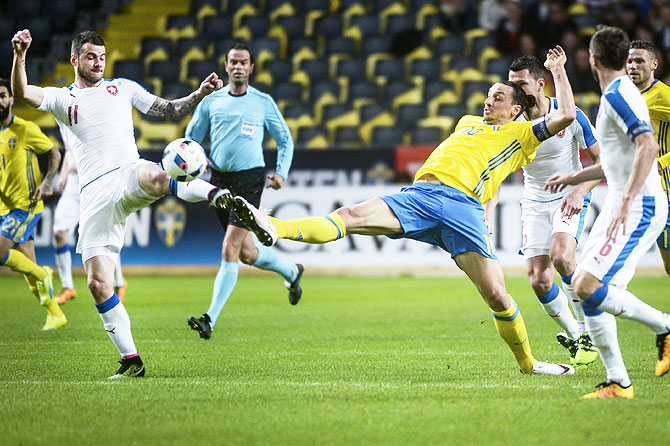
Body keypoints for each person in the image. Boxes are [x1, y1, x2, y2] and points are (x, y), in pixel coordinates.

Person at [232, 46, 578, 376]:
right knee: (351, 216)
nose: (489, 100)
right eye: (488, 94)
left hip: (462, 209)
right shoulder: (467, 122)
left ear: (516, 109)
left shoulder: (523, 135)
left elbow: (564, 114)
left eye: (498, 97)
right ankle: (275, 226)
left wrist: (558, 71)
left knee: (498, 296)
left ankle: (529, 363)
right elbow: (487, 165)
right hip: (421, 195)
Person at [11, 29, 233, 378]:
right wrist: (20, 55)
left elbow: (168, 110)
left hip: (128, 172)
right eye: (90, 56)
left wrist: (199, 94)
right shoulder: (60, 98)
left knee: (159, 176)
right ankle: (132, 361)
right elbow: (23, 93)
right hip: (95, 196)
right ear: (74, 60)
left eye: (101, 56)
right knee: (98, 284)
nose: (98, 62)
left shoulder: (122, 88)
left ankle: (212, 193)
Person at [546, 26, 670, 399]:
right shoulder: (619, 93)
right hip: (623, 202)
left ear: (593, 58)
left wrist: (629, 199)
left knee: (586, 285)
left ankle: (665, 328)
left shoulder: (618, 95)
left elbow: (647, 144)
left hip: (639, 206)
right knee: (587, 285)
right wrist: (575, 175)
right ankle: (618, 381)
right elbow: (618, 161)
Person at [185, 43, 303, 340]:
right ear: (226, 66)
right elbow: (191, 138)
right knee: (248, 253)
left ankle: (209, 318)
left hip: (250, 181)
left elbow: (285, 140)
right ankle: (291, 272)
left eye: (244, 63)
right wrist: (195, 162)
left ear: (251, 68)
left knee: (229, 247)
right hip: (219, 181)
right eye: (233, 62)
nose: (238, 67)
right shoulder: (211, 102)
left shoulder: (262, 102)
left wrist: (281, 173)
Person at [506, 55, 601, 367]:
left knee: (561, 256)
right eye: (512, 83)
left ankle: (589, 334)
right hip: (534, 200)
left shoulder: (570, 115)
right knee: (539, 280)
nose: (515, 89)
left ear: (539, 83)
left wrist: (579, 190)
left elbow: (606, 164)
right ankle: (577, 337)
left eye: (521, 83)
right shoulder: (510, 123)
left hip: (568, 196)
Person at [0, 77, 66, 330]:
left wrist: (48, 182)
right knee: (28, 268)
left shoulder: (25, 129)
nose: (0, 100)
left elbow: (54, 152)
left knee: (2, 253)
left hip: (25, 206)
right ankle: (55, 313)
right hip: (3, 207)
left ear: (11, 99)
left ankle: (43, 274)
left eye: (3, 95)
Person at [52, 125, 128, 305]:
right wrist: (62, 175)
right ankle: (68, 286)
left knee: (104, 237)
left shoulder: (94, 111)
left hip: (96, 186)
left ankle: (119, 282)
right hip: (73, 187)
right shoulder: (63, 115)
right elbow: (70, 152)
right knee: (59, 233)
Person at [626, 39, 670, 277]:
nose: (633, 65)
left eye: (639, 61)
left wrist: (661, 163)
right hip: (643, 189)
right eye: (630, 61)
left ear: (654, 64)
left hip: (667, 188)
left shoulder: (662, 95)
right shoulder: (626, 94)